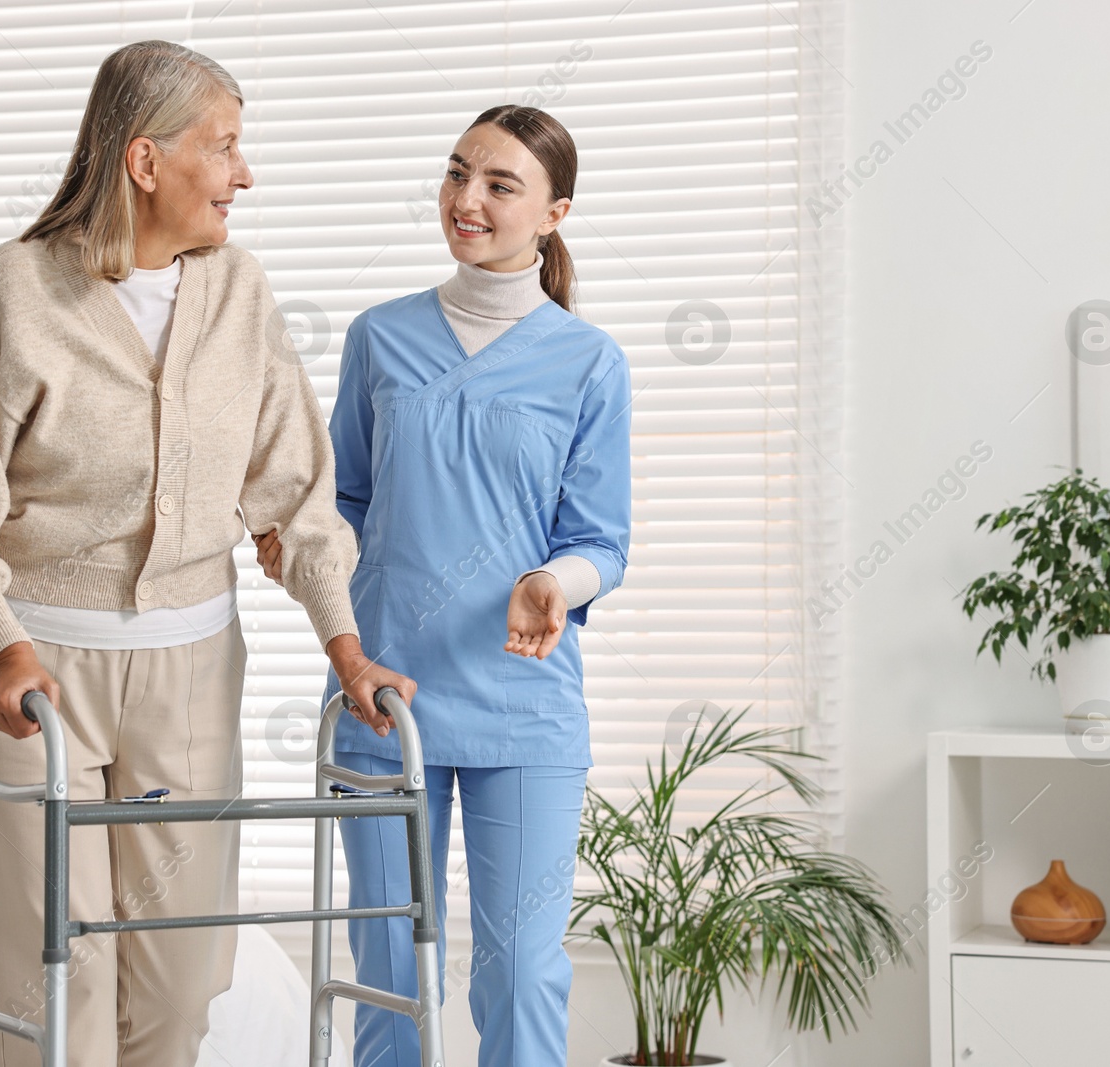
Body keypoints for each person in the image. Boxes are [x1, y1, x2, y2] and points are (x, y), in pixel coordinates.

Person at [0, 40, 410, 1067]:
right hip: (34, 674)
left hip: (191, 670)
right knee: (55, 983)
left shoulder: (239, 292)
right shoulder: (17, 290)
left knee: (176, 987)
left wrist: (345, 647)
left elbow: (295, 493)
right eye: (222, 149)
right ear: (143, 162)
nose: (243, 174)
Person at [256, 104, 632, 1067]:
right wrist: (290, 534)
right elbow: (341, 500)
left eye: (501, 185)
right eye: (458, 173)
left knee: (519, 968)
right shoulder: (382, 337)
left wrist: (553, 579)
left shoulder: (589, 363)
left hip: (523, 701)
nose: (467, 200)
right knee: (388, 966)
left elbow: (601, 540)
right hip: (382, 693)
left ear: (555, 214)